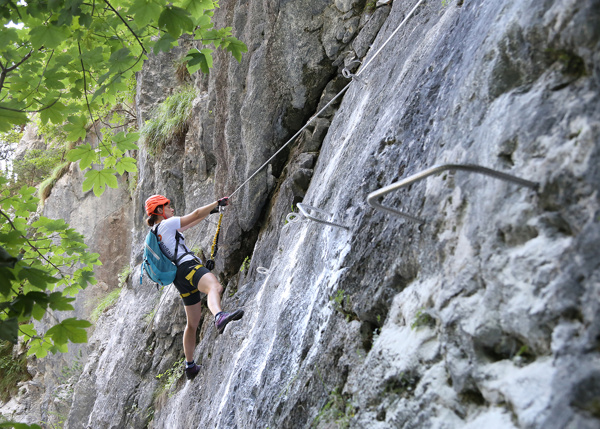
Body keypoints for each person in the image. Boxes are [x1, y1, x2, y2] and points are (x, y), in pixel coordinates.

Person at [144, 194, 244, 380]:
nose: (172, 209)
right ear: (159, 211)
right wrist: (216, 202)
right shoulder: (167, 224)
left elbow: (193, 221)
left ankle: (189, 366)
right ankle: (219, 316)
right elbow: (195, 213)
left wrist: (213, 210)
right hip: (187, 267)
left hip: (179, 278)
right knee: (214, 287)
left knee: (192, 323)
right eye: (168, 206)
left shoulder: (159, 231)